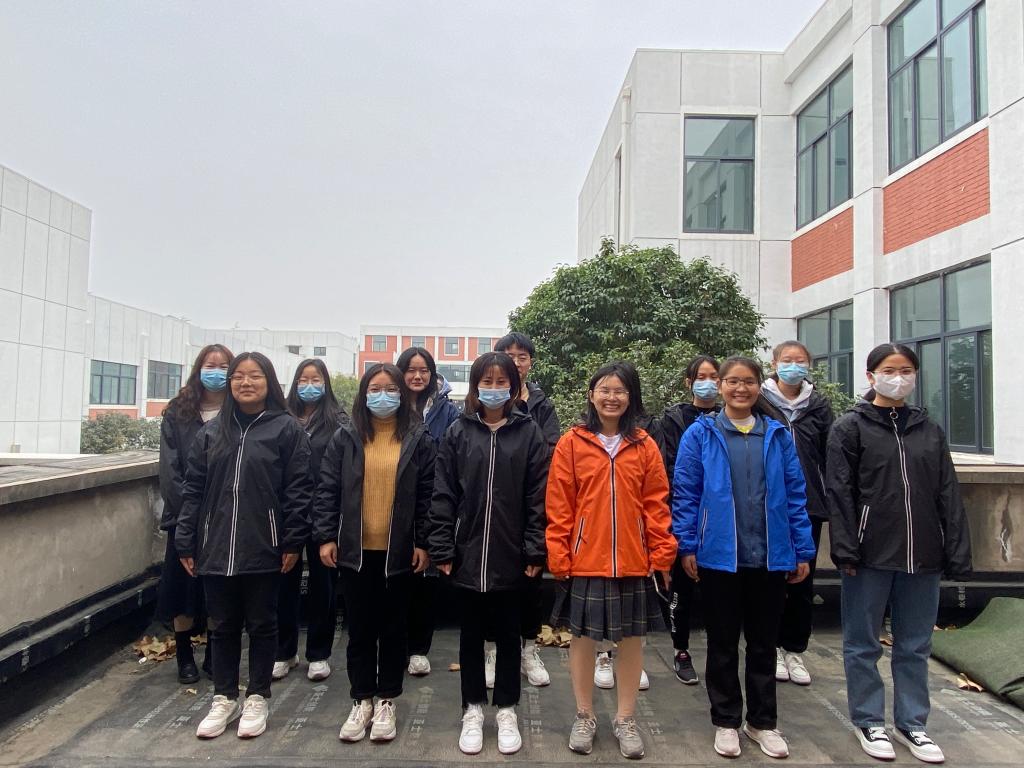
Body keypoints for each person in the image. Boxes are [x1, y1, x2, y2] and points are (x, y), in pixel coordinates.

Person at [827, 343, 971, 764]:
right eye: (889, 370)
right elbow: (840, 492)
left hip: (923, 554)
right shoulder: (850, 428)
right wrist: (846, 549)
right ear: (871, 376)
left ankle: (913, 724)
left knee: (915, 644)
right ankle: (868, 720)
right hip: (869, 553)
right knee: (862, 644)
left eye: (906, 370)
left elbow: (948, 492)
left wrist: (956, 548)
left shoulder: (928, 429)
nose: (899, 377)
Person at [673, 356, 815, 760]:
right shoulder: (701, 434)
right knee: (721, 644)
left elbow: (795, 494)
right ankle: (726, 721)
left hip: (770, 556)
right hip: (719, 556)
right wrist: (687, 544)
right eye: (732, 381)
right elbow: (685, 492)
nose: (740, 389)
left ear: (759, 386)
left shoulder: (776, 435)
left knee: (763, 645)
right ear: (720, 386)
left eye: (748, 381)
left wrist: (802, 548)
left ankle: (762, 722)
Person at [175, 352, 313, 740]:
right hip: (216, 545)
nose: (245, 383)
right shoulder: (212, 432)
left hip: (264, 545)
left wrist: (292, 539)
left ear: (269, 382)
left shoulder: (286, 429)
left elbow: (299, 490)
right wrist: (186, 540)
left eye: (254, 376)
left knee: (262, 623)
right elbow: (192, 490)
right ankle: (224, 696)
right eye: (238, 376)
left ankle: (257, 696)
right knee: (221, 626)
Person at [546, 361, 676, 760]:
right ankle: (584, 715)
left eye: (620, 390)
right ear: (591, 395)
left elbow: (656, 503)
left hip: (634, 559)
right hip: (586, 558)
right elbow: (560, 504)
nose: (612, 397)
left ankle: (625, 718)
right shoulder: (572, 442)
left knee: (632, 640)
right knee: (582, 639)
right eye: (604, 389)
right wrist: (559, 553)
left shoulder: (644, 445)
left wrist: (662, 552)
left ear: (631, 397)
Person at [428, 352, 548, 756]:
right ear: (475, 386)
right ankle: (473, 708)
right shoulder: (458, 432)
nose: (494, 389)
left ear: (513, 387)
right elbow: (443, 493)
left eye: (502, 382)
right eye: (487, 381)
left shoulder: (528, 434)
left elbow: (538, 497)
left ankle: (507, 709)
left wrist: (534, 549)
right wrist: (442, 545)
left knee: (510, 635)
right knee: (471, 636)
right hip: (467, 552)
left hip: (511, 553)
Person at [313, 363, 436, 744]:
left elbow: (429, 495)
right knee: (360, 629)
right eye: (375, 389)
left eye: (390, 389)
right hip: (355, 551)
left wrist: (423, 542)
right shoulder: (346, 437)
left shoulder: (418, 438)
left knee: (394, 628)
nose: (383, 396)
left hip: (400, 552)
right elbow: (327, 489)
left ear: (402, 394)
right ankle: (361, 699)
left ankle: (387, 700)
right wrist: (326, 536)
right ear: (364, 394)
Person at [156, 343, 233, 685]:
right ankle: (184, 656)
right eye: (210, 365)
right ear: (198, 369)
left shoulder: (238, 411)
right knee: (182, 590)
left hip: (226, 518)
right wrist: (187, 513)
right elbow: (169, 470)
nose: (216, 372)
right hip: (185, 518)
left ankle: (215, 653)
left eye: (223, 366)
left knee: (219, 590)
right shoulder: (178, 412)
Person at [759, 340, 833, 687]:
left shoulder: (818, 405)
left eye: (799, 360)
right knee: (769, 580)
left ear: (808, 365)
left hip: (808, 504)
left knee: (803, 578)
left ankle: (794, 649)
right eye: (787, 360)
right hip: (766, 504)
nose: (793, 366)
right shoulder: (760, 401)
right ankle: (770, 646)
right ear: (774, 364)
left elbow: (830, 454)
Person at [272, 359, 347, 683]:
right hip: (287, 513)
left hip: (324, 513)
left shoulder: (339, 421)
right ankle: (284, 652)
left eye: (316, 379)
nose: (309, 385)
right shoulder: (281, 418)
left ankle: (319, 653)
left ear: (326, 383)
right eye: (303, 379)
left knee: (323, 586)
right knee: (282, 585)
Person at [493, 331, 561, 688]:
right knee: (491, 582)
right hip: (491, 505)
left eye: (522, 356)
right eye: (509, 355)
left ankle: (529, 649)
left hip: (533, 503)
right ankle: (493, 651)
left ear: (531, 362)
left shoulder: (541, 404)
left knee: (531, 580)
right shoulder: (483, 400)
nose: (516, 362)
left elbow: (550, 449)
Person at [395, 346, 461, 677]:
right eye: (411, 370)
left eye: (424, 371)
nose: (417, 376)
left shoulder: (447, 412)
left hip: (433, 502)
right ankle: (395, 645)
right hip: (394, 504)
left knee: (425, 577)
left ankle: (419, 648)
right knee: (395, 578)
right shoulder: (390, 407)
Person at [656, 354, 720, 686]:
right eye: (701, 377)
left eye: (714, 376)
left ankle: (719, 655)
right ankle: (680, 650)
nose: (709, 383)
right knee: (681, 587)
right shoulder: (672, 420)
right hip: (682, 511)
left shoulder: (731, 417)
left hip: (720, 519)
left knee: (718, 593)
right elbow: (666, 467)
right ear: (689, 382)